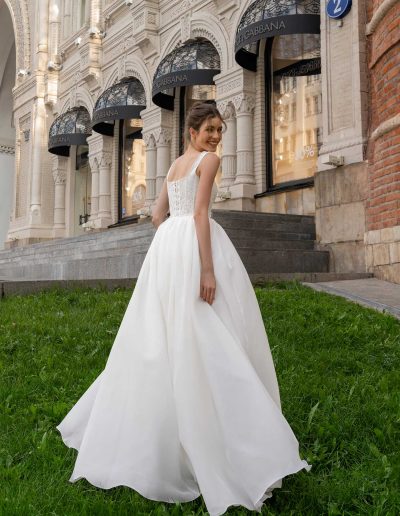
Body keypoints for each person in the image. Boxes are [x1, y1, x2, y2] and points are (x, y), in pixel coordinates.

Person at [56, 102, 311, 516]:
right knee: (206, 333)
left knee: (163, 337)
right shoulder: (209, 162)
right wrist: (205, 268)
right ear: (193, 130)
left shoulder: (176, 164)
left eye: (219, 130)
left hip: (167, 252)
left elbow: (159, 215)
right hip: (192, 247)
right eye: (209, 129)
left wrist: (172, 245)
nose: (215, 137)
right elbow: (199, 214)